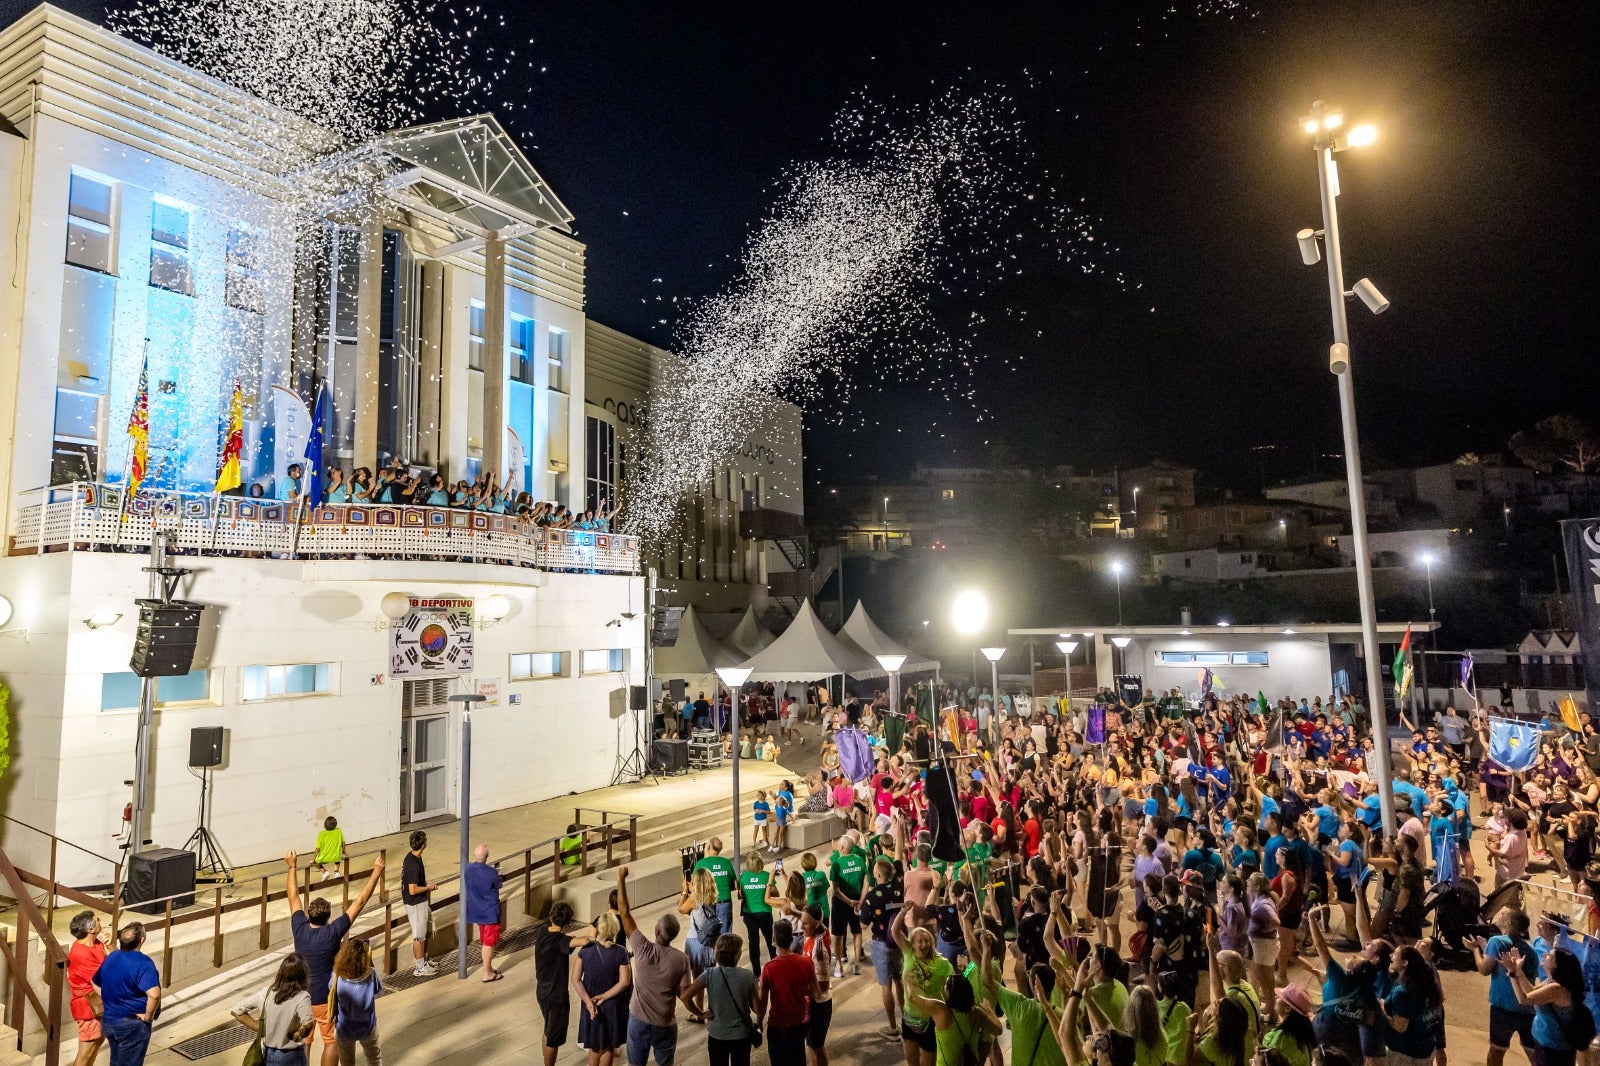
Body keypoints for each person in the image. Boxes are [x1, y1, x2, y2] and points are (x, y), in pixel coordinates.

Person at [284, 849, 384, 1066]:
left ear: (309, 914)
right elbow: (360, 901)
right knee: (331, 1042)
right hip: (324, 998)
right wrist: (376, 872)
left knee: (304, 1041)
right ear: (328, 917)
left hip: (300, 995)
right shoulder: (332, 932)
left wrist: (292, 866)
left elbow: (293, 896)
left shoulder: (299, 928)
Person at [616, 866, 702, 1066]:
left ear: (656, 931)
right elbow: (684, 996)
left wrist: (620, 879)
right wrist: (700, 1013)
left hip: (638, 1020)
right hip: (664, 1024)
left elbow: (624, 912)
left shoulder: (642, 948)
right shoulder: (681, 960)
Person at [1500, 944, 1596, 1066]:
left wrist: (1512, 973)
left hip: (1554, 1048)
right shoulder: (1550, 981)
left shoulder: (1556, 989)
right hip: (1546, 1042)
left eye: (1549, 956)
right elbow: (1531, 992)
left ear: (1557, 965)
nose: (1545, 955)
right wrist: (1518, 970)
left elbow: (1524, 999)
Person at [1475, 905, 1540, 1066]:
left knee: (1496, 1052)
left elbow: (1484, 969)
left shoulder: (1496, 941)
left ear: (1509, 922)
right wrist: (1485, 948)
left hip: (1502, 1007)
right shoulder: (1530, 950)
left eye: (1503, 914)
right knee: (1534, 1054)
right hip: (1527, 1009)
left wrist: (1475, 950)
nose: (1499, 914)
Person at [534, 901, 595, 1066]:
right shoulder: (561, 941)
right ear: (568, 922)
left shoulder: (542, 932)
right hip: (556, 996)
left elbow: (566, 942)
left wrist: (571, 939)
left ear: (551, 915)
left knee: (548, 1030)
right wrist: (591, 937)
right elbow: (585, 941)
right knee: (553, 1038)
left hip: (542, 992)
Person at [894, 899, 953, 1066]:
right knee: (911, 1062)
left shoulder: (942, 964)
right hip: (909, 1018)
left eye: (927, 941)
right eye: (919, 941)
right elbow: (895, 931)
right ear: (912, 944)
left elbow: (948, 992)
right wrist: (903, 912)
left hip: (930, 1021)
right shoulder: (909, 953)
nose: (924, 944)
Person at [686, 934, 760, 1066]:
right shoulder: (747, 976)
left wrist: (700, 1014)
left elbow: (685, 997)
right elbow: (757, 1009)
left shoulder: (709, 974)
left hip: (717, 1034)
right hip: (741, 1035)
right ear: (737, 955)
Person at [92, 924, 160, 1066]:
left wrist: (110, 998)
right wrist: (148, 1017)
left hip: (110, 1021)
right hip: (132, 1024)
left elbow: (95, 982)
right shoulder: (144, 963)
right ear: (142, 940)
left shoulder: (112, 957)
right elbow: (154, 995)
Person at [231, 953, 315, 1066]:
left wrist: (260, 1028)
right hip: (291, 1057)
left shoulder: (265, 993)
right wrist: (298, 1035)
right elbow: (308, 1024)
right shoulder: (302, 997)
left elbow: (237, 1011)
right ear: (303, 976)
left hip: (268, 1054)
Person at [755, 918, 818, 1066]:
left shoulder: (769, 968)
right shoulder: (806, 962)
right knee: (798, 1059)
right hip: (799, 1022)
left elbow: (763, 1001)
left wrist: (759, 1022)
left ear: (774, 939)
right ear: (791, 938)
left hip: (778, 1025)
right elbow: (815, 993)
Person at [574, 912, 632, 1066]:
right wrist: (605, 996)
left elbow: (575, 979)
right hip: (613, 1004)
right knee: (608, 1046)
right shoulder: (620, 952)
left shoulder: (585, 950)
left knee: (594, 1047)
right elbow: (625, 982)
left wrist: (588, 1002)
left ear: (599, 928)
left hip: (591, 1003)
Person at [909, 971, 1002, 1066]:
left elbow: (913, 997)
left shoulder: (941, 1011)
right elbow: (998, 1030)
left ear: (949, 993)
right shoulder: (976, 1012)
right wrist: (989, 1010)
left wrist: (908, 980)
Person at [1378, 945, 1443, 1066]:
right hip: (1425, 1048)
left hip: (1405, 1054)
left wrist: (1381, 1008)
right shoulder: (1425, 983)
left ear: (1405, 963)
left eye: (1395, 954)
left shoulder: (1402, 992)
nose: (1391, 956)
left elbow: (1400, 1027)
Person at [328, 938, 383, 1066]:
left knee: (347, 1063)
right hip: (367, 1027)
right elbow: (378, 989)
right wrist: (370, 964)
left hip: (344, 1028)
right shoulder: (370, 975)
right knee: (374, 1058)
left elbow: (331, 987)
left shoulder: (337, 976)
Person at [67, 910, 107, 1066]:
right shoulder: (80, 954)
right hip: (88, 1009)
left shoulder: (97, 944)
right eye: (98, 920)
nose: (101, 921)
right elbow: (104, 977)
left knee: (96, 1044)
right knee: (86, 1052)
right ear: (90, 929)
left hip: (99, 1005)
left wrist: (110, 945)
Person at [463, 844, 504, 982]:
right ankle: (486, 973)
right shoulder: (491, 873)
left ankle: (489, 968)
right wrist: (499, 876)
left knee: (485, 941)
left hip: (477, 911)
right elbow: (498, 884)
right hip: (490, 912)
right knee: (488, 943)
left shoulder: (468, 869)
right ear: (487, 857)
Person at [400, 830, 438, 976]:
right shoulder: (412, 864)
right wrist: (428, 888)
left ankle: (425, 960)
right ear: (423, 845)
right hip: (415, 903)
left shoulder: (414, 857)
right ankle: (420, 967)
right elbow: (413, 890)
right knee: (418, 936)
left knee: (424, 932)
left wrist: (426, 884)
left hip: (420, 901)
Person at [739, 852, 776, 975]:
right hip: (765, 913)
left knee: (753, 943)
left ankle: (756, 972)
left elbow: (740, 895)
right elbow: (775, 893)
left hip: (750, 915)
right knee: (770, 941)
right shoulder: (767, 876)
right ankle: (775, 966)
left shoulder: (743, 877)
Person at [694, 838, 739, 934]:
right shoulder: (726, 862)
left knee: (710, 933)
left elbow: (694, 884)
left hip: (707, 903)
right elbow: (735, 884)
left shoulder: (701, 864)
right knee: (725, 934)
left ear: (708, 847)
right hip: (724, 903)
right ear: (720, 849)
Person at [313, 816, 345, 882]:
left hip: (324, 857)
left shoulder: (321, 834)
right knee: (337, 855)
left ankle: (325, 872)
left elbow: (317, 848)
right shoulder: (338, 831)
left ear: (325, 824)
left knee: (314, 862)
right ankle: (336, 872)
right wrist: (344, 851)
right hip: (336, 857)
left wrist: (313, 859)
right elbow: (343, 843)